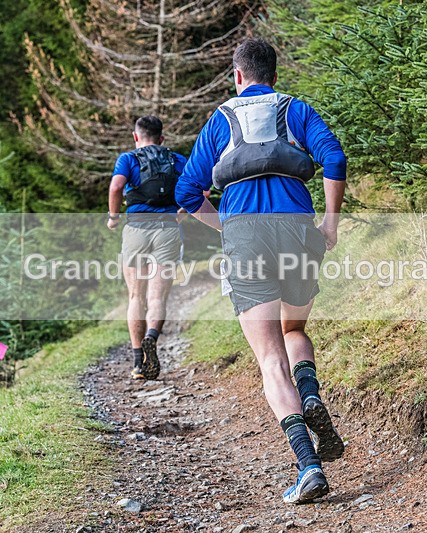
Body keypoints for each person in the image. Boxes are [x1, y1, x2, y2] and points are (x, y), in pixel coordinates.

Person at [175, 38, 347, 504]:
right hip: (297, 232)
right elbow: (334, 157)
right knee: (294, 329)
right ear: (274, 73)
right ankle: (309, 392)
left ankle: (308, 466)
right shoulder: (295, 111)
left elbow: (187, 192)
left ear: (237, 75)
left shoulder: (219, 121)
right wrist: (329, 223)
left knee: (270, 359)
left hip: (246, 237)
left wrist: (228, 228)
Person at [108, 115, 186, 381]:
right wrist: (182, 211)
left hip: (137, 229)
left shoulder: (128, 159)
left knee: (136, 298)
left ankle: (138, 361)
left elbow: (117, 186)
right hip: (167, 229)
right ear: (162, 138)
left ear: (136, 136)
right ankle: (152, 336)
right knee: (157, 298)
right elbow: (202, 190)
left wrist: (113, 216)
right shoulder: (176, 159)